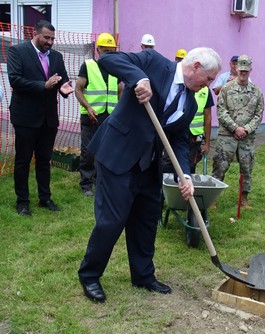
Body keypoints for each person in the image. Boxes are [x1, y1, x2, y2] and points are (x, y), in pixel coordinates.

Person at [77, 47, 221, 303]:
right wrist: (138, 78)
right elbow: (109, 59)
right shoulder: (154, 63)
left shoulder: (189, 101)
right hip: (118, 155)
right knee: (112, 220)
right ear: (196, 66)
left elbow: (178, 137)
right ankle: (90, 275)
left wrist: (184, 175)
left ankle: (143, 275)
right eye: (208, 79)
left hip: (149, 166)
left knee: (146, 220)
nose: (207, 86)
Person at [7, 20, 74, 216]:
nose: (50, 42)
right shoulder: (17, 52)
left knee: (44, 160)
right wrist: (43, 85)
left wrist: (64, 88)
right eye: (46, 37)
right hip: (26, 118)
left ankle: (45, 198)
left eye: (52, 38)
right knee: (23, 161)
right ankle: (23, 202)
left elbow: (61, 79)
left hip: (48, 119)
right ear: (34, 34)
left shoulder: (57, 56)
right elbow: (15, 79)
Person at [211, 55, 264, 209]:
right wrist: (235, 128)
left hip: (247, 138)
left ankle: (244, 199)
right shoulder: (226, 89)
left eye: (246, 71)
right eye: (241, 70)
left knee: (247, 168)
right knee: (220, 166)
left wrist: (246, 129)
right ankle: (212, 197)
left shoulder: (256, 92)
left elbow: (258, 114)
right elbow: (221, 111)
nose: (243, 73)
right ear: (236, 68)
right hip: (227, 136)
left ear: (250, 71)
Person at [75, 33, 122, 197]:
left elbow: (120, 89)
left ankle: (100, 180)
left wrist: (121, 110)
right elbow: (78, 89)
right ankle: (86, 184)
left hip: (110, 116)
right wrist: (88, 107)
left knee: (107, 150)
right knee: (89, 151)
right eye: (106, 50)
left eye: (112, 50)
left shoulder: (116, 67)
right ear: (98, 50)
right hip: (91, 115)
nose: (109, 53)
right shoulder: (88, 65)